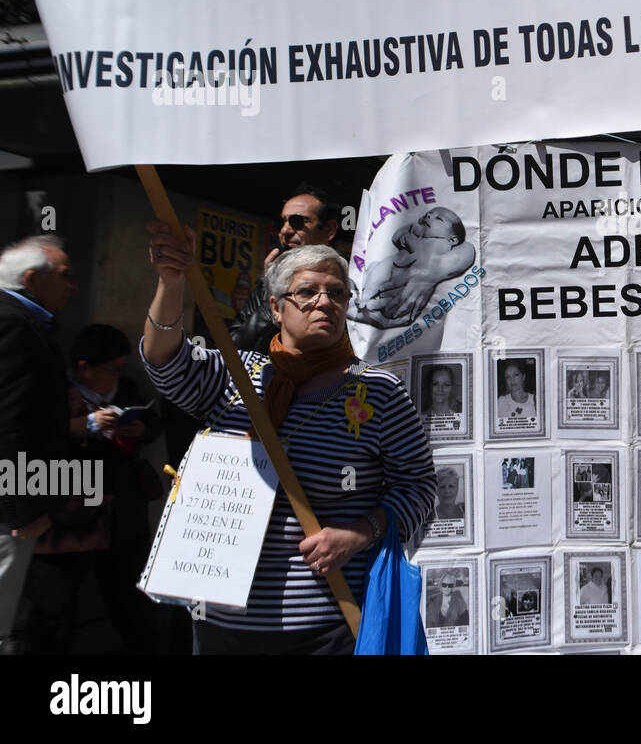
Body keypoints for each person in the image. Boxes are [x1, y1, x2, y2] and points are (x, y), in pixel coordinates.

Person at [142, 224, 436, 654]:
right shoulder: (236, 375)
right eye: (308, 292)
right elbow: (165, 361)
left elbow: (419, 487)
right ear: (277, 308)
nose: (325, 302)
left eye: (337, 294)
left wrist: (361, 531)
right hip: (221, 620)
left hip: (328, 625)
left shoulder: (378, 391)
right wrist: (171, 282)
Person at [25, 323, 163, 654]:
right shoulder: (55, 392)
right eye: (111, 370)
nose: (117, 377)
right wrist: (85, 426)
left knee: (130, 602)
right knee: (55, 606)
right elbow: (33, 436)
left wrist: (140, 428)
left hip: (122, 518)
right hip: (72, 516)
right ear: (84, 369)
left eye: (121, 369)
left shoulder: (127, 390)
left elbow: (151, 423)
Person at [0, 236, 77, 653]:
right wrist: (22, 507)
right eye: (65, 275)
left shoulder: (24, 322)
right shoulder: (13, 323)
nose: (73, 286)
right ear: (32, 279)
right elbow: (7, 421)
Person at [230, 183, 341, 355]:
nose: (285, 231)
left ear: (328, 230)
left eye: (297, 222)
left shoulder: (355, 286)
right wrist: (272, 286)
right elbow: (236, 349)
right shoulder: (270, 282)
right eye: (282, 222)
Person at [350, 206, 475, 329]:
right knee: (378, 271)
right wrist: (404, 236)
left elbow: (467, 251)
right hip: (392, 270)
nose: (429, 216)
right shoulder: (415, 232)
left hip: (401, 291)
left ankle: (373, 305)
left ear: (453, 239)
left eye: (439, 219)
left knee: (392, 301)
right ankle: (365, 298)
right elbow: (399, 234)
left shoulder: (445, 245)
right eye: (429, 213)